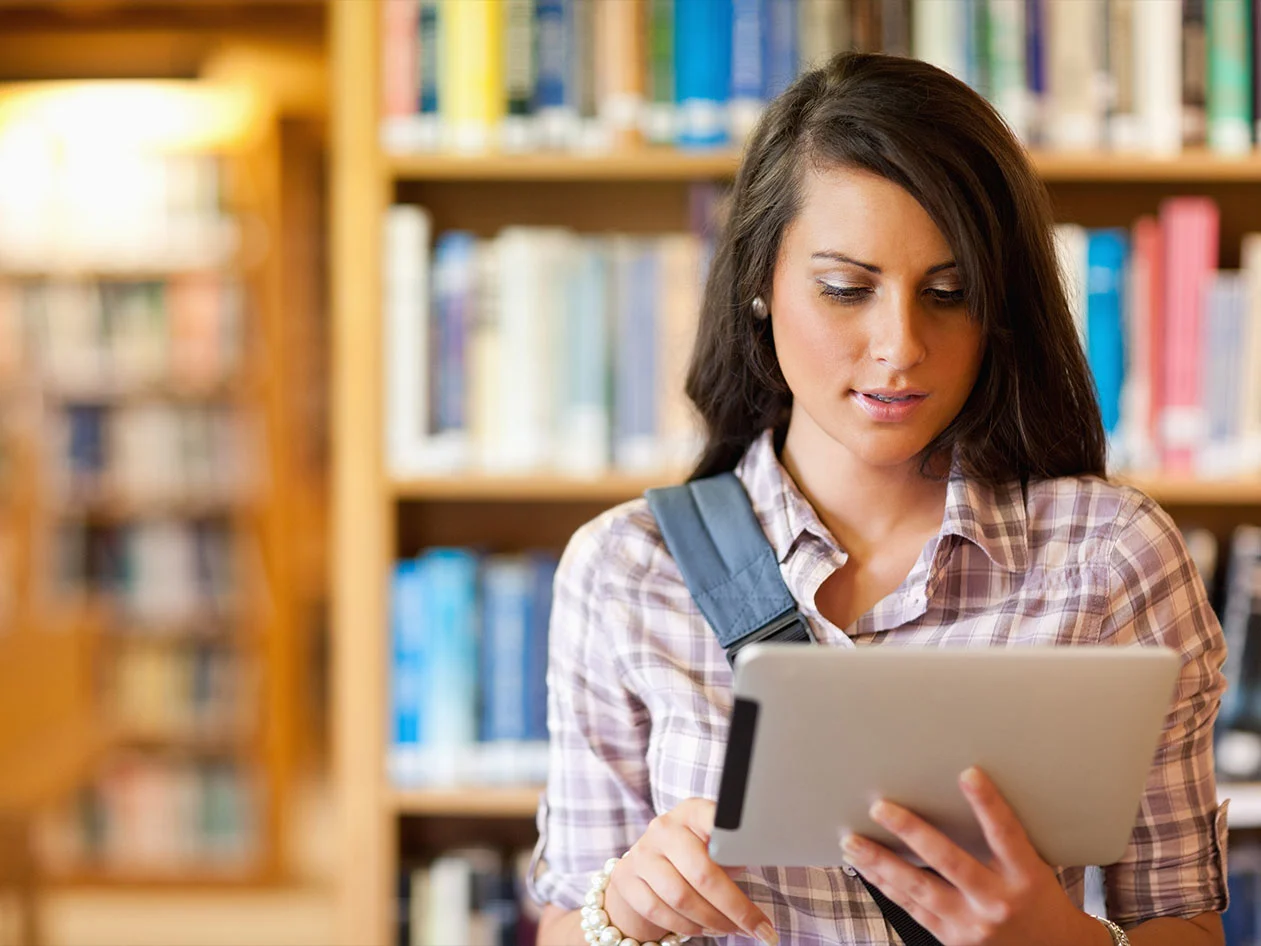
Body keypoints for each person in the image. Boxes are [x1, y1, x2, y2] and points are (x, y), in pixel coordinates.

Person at [526, 52, 1228, 946]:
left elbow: (1184, 924)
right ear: (757, 283)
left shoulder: (1108, 555)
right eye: (844, 290)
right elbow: (564, 924)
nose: (899, 346)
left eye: (949, 293)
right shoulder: (626, 570)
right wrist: (621, 909)